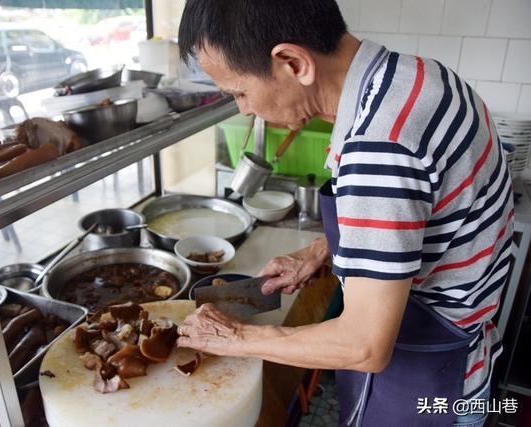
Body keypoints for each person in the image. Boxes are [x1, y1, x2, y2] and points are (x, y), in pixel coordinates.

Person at [175, 1, 513, 426]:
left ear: (293, 62)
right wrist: (322, 250)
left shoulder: (379, 145)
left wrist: (237, 336)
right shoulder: (415, 76)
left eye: (240, 92)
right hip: (463, 352)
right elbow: (421, 219)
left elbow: (365, 345)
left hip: (430, 377)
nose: (243, 109)